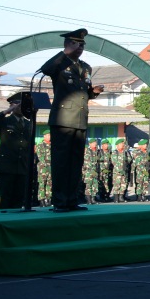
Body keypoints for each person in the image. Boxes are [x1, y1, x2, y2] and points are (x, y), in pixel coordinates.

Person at [40, 28, 104, 212]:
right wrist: (64, 53)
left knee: (76, 162)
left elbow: (85, 92)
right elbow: (45, 69)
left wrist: (94, 92)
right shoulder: (60, 64)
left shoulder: (85, 67)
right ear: (67, 45)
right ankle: (60, 202)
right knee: (61, 162)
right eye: (75, 44)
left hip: (80, 119)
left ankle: (71, 200)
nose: (80, 47)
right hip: (62, 119)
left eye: (82, 45)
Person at [0, 93, 33, 209]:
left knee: (19, 200)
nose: (19, 108)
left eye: (22, 105)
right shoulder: (5, 121)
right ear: (11, 105)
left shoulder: (28, 123)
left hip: (22, 168)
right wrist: (7, 111)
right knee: (3, 199)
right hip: (6, 168)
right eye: (16, 105)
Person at [35, 133, 52, 206]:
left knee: (50, 183)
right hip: (43, 167)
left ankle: (48, 199)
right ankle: (41, 199)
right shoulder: (40, 145)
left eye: (50, 135)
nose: (49, 137)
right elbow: (40, 156)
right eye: (47, 135)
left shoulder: (52, 145)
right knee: (42, 183)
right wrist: (46, 163)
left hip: (51, 166)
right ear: (44, 136)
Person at [82, 138, 101, 204]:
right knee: (88, 186)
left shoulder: (96, 152)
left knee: (94, 186)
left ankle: (93, 199)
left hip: (95, 171)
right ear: (90, 144)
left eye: (95, 143)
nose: (95, 144)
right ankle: (89, 200)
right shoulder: (88, 151)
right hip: (88, 172)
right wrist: (92, 170)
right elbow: (87, 162)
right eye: (93, 143)